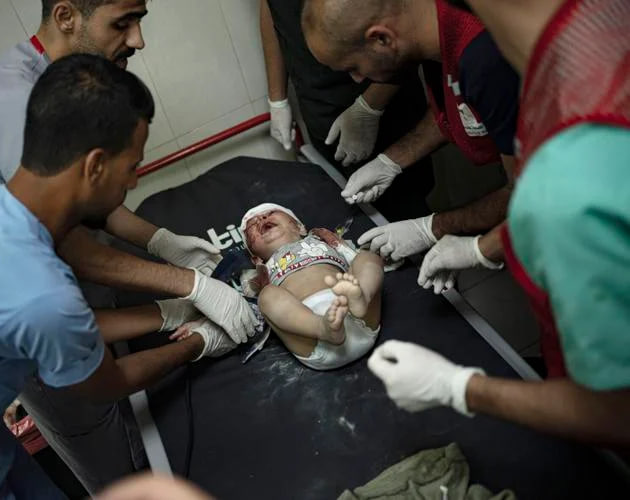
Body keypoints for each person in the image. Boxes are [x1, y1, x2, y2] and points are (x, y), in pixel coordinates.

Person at [0, 54, 241, 498]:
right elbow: (108, 383)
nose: (131, 184)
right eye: (131, 167)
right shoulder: (38, 288)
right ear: (94, 167)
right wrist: (199, 342)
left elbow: (49, 327)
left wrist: (171, 311)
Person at [366, 0, 630, 448]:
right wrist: (481, 249)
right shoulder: (596, 36)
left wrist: (459, 388)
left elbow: (615, 415)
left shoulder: (562, 174)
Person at [301, 0, 520, 293]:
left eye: (353, 67)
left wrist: (437, 231)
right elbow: (461, 109)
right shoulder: (431, 34)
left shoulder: (484, 59)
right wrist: (391, 161)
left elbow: (526, 194)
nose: (357, 79)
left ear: (381, 39)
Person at [260, 0, 433, 222]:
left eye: (353, 69)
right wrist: (277, 100)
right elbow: (272, 7)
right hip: (319, 106)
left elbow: (401, 28)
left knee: (406, 208)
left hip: (382, 104)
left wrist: (370, 107)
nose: (356, 76)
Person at [185, 204, 384, 371]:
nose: (261, 218)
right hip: (311, 337)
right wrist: (204, 322)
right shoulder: (260, 271)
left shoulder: (324, 241)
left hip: (356, 314)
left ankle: (362, 297)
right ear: (255, 257)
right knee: (267, 296)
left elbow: (362, 263)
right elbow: (233, 303)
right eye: (251, 226)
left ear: (300, 227)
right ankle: (323, 327)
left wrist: (339, 245)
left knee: (366, 257)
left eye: (270, 213)